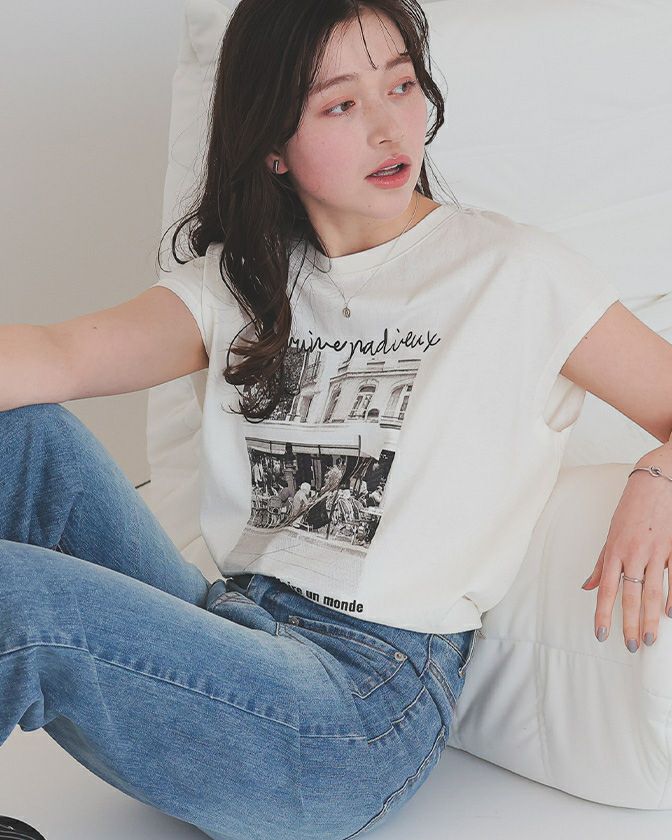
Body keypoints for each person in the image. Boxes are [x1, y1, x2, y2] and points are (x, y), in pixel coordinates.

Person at [0, 1, 628, 838]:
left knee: (14, 594)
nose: (388, 127)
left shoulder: (513, 272)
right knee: (22, 436)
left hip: (356, 714)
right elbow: (55, 355)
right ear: (273, 145)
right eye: (340, 104)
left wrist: (661, 480)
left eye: (400, 85)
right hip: (232, 634)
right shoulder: (243, 282)